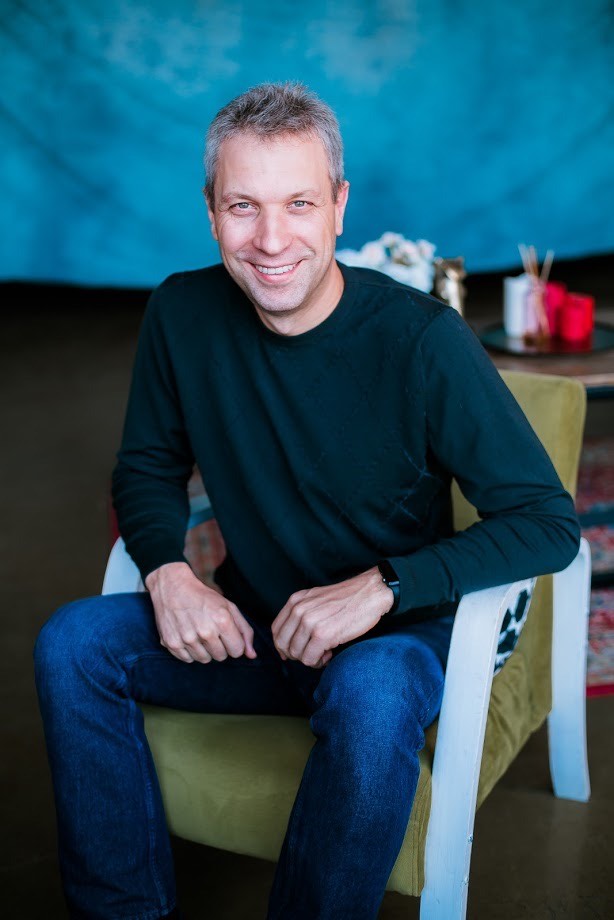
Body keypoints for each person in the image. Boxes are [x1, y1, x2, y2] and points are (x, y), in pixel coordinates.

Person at [34, 81, 581, 920]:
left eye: (298, 203)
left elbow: (547, 523)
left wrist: (382, 586)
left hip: (390, 640)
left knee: (374, 692)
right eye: (243, 207)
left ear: (339, 206)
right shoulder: (182, 313)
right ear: (210, 212)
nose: (271, 239)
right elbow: (146, 465)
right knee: (72, 643)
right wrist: (169, 573)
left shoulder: (422, 341)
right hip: (257, 630)